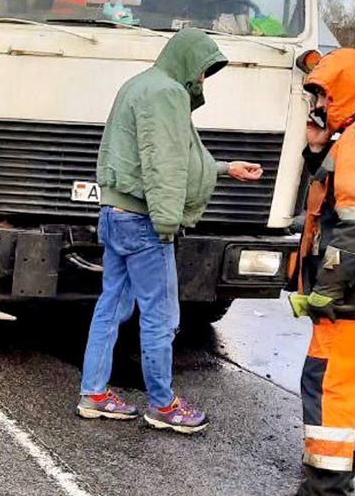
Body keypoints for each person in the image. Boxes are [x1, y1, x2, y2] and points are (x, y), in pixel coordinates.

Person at [76, 28, 264, 433]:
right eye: (201, 72)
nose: (200, 82)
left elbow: (160, 157)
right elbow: (164, 163)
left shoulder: (140, 85)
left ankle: (93, 393)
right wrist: (166, 223)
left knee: (111, 306)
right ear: (187, 61)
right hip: (144, 220)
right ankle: (163, 404)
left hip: (115, 213)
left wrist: (225, 168)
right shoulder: (167, 94)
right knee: (161, 316)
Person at [289, 48, 355, 496]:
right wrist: (317, 150)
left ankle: (325, 487)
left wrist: (327, 288)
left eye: (322, 96)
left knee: (328, 381)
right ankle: (344, 470)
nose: (318, 107)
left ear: (343, 91)